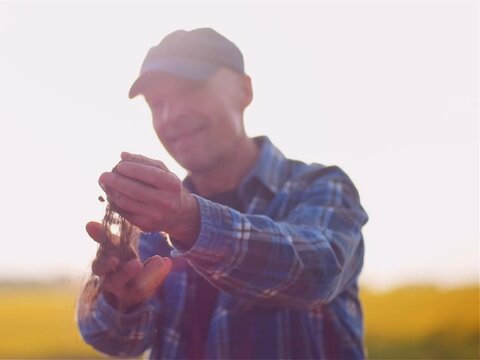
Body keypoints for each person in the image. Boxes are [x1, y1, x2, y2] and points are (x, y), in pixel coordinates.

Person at [76, 28, 369, 359]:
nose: (172, 115)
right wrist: (122, 301)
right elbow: (115, 341)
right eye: (157, 104)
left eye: (191, 89)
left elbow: (318, 273)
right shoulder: (156, 223)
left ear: (244, 90)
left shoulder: (320, 187)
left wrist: (189, 221)